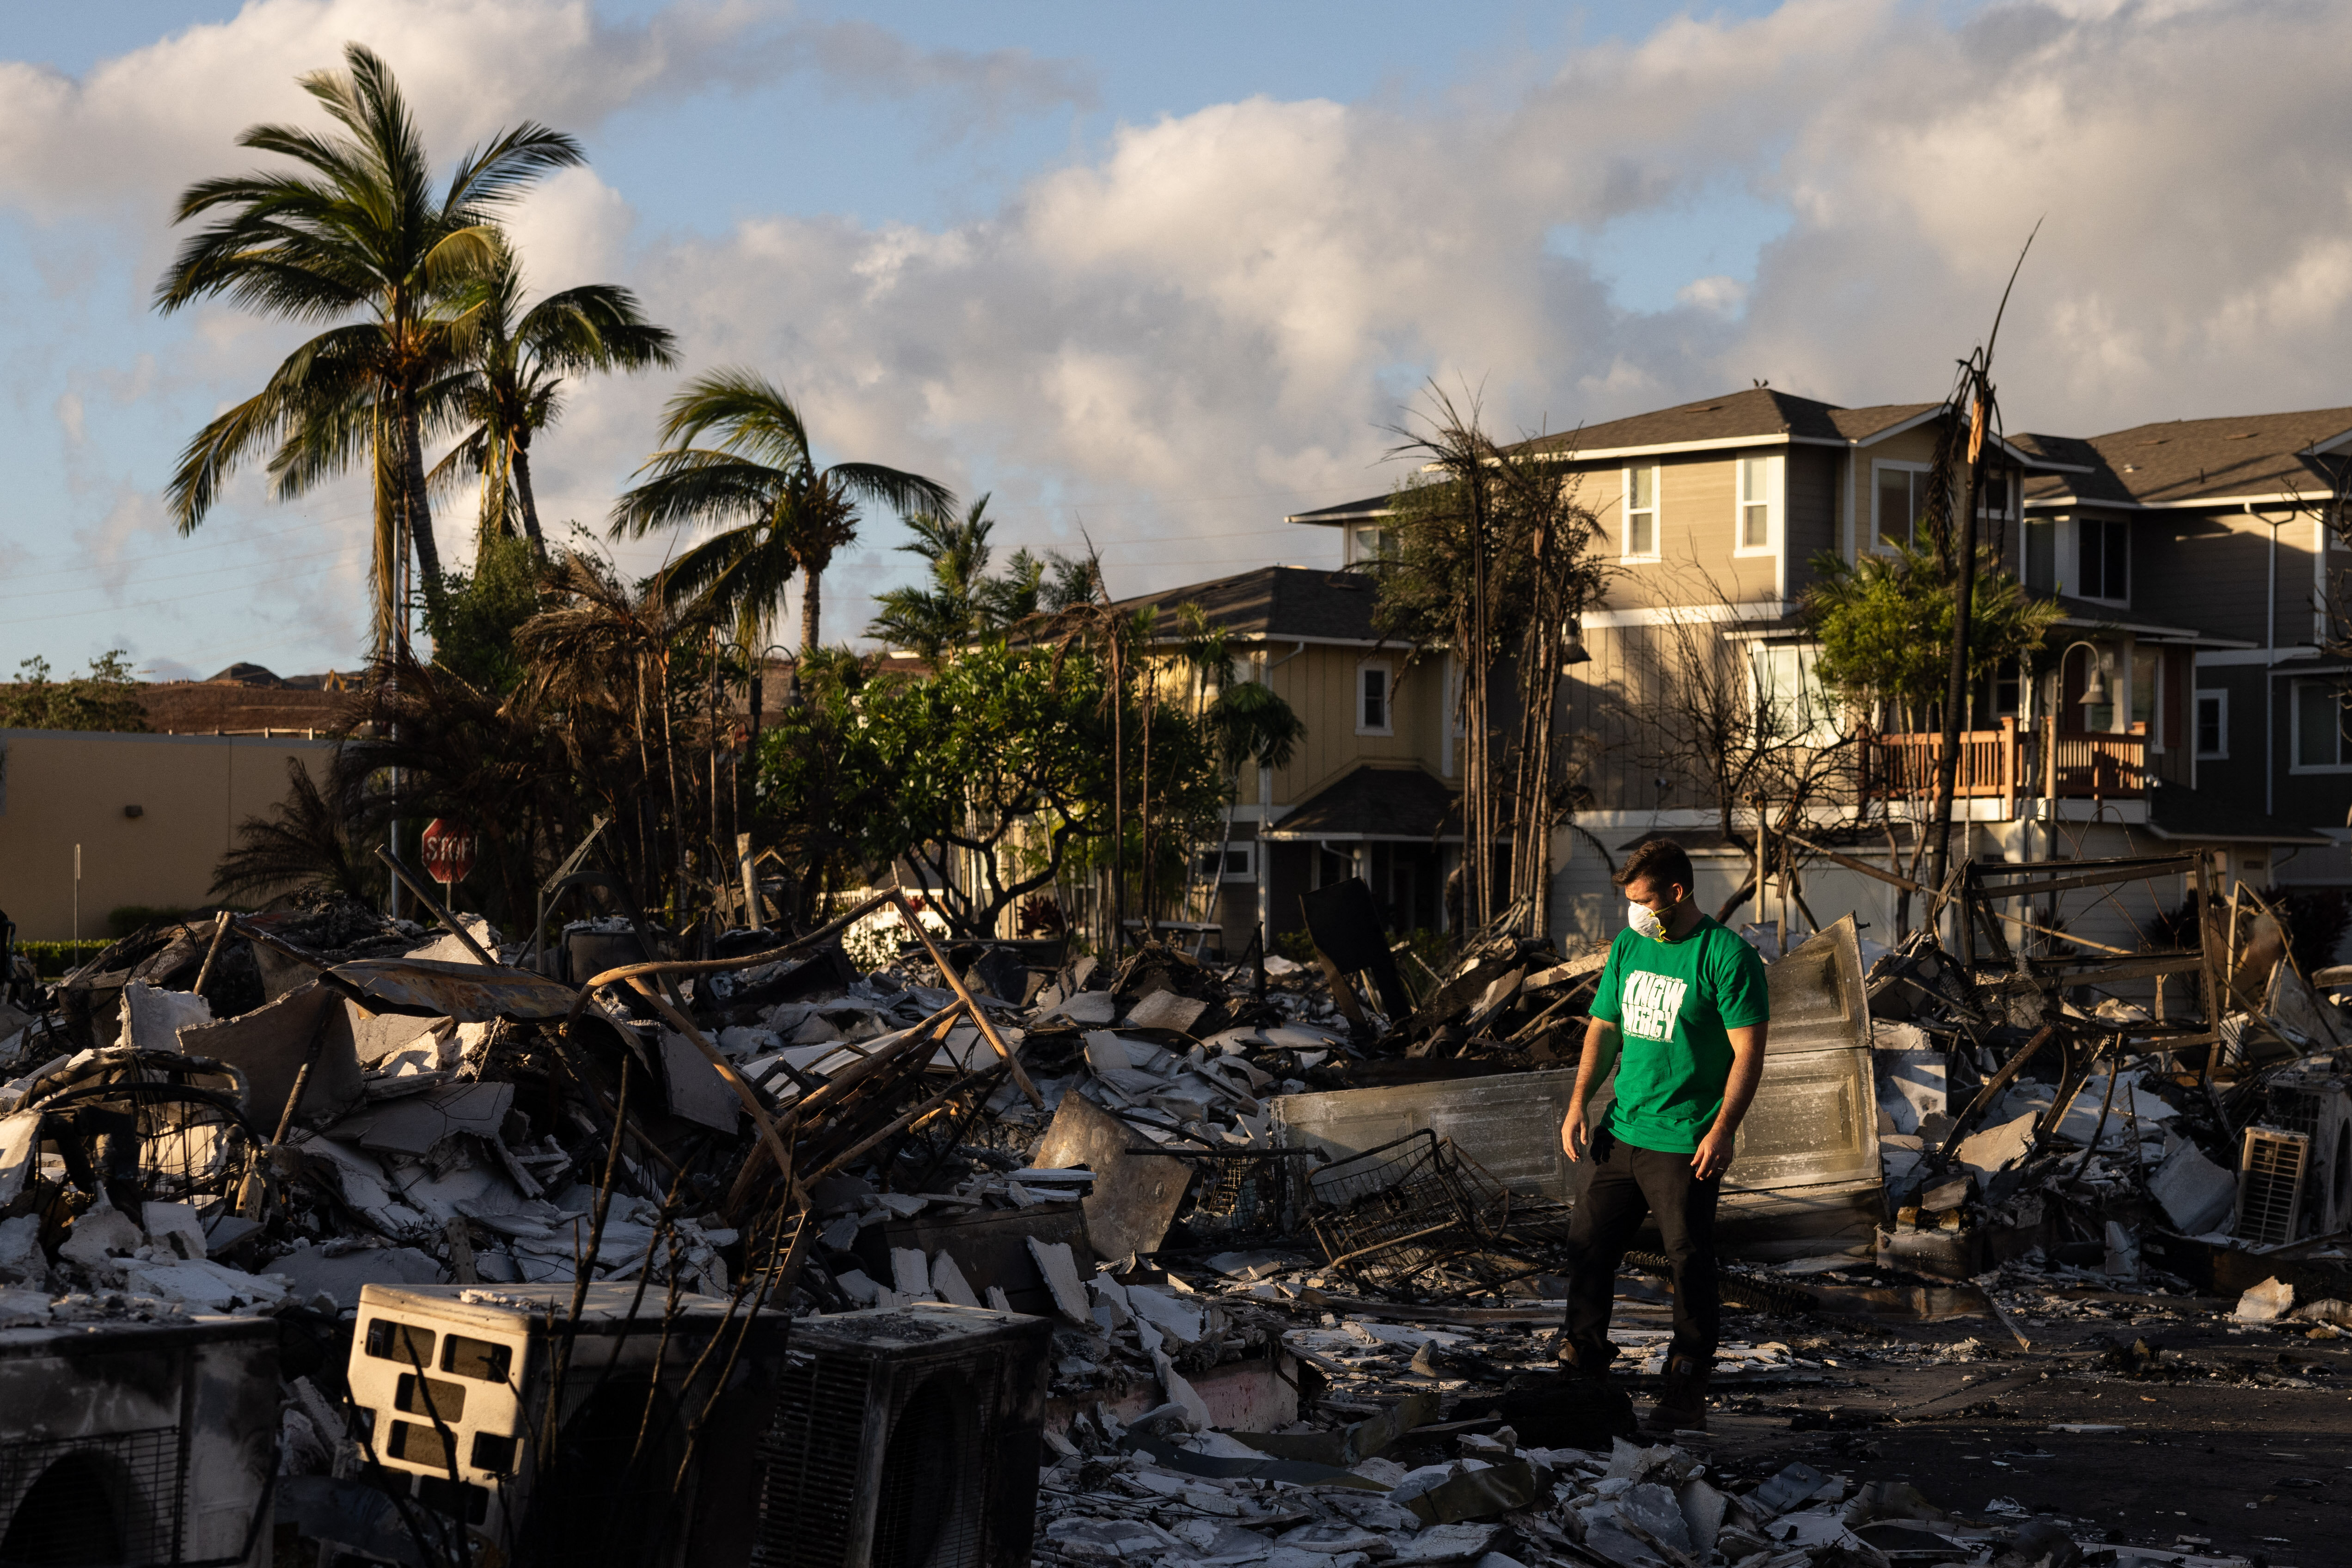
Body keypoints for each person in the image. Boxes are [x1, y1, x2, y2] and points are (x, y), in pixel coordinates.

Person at [1556, 837, 1770, 1433]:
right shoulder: (1630, 944)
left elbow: (1748, 1055)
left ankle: (1686, 1382)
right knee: (1588, 1248)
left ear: (1677, 893)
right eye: (1630, 901)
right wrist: (1580, 1105)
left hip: (1685, 1140)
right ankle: (1584, 1365)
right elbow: (1603, 1030)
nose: (1636, 913)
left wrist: (1723, 1129)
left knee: (1689, 1261)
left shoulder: (1726, 956)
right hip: (1622, 1129)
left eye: (1645, 901)